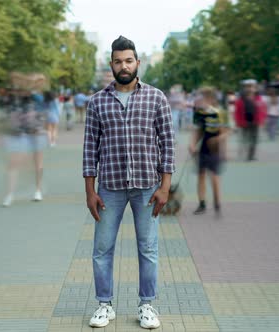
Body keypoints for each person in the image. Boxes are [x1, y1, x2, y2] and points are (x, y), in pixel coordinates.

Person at [83, 36, 175, 329]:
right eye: (118, 61)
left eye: (129, 60)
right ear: (111, 64)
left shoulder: (156, 98)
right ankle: (104, 305)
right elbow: (89, 149)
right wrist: (90, 192)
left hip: (148, 186)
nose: (123, 66)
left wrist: (165, 187)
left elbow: (168, 144)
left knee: (147, 248)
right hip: (109, 187)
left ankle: (146, 305)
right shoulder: (97, 102)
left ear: (138, 63)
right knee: (102, 248)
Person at [2, 92, 48, 206]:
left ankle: (38, 190)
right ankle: (10, 194)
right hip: (19, 134)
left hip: (36, 134)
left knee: (38, 164)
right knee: (13, 164)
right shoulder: (15, 100)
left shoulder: (38, 98)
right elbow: (11, 117)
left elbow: (43, 116)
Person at [189, 87, 229, 216]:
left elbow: (225, 132)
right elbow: (198, 130)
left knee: (214, 176)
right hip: (203, 148)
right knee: (201, 175)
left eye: (203, 98)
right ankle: (202, 203)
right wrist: (192, 144)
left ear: (210, 99)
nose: (200, 100)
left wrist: (218, 141)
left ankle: (217, 203)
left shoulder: (220, 113)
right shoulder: (200, 113)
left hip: (215, 149)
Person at [234, 79, 267, 161]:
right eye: (248, 87)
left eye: (252, 86)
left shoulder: (259, 98)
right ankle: (244, 154)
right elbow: (236, 112)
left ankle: (251, 155)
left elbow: (263, 110)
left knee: (254, 139)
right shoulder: (240, 99)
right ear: (244, 88)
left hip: (255, 122)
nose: (250, 88)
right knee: (244, 139)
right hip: (244, 122)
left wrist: (263, 120)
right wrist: (237, 122)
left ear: (255, 88)